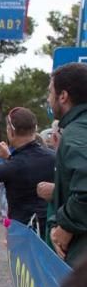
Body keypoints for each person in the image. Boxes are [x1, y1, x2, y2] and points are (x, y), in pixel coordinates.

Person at [0, 107, 55, 239]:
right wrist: (9, 157)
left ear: (11, 131)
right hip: (50, 231)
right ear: (35, 129)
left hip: (23, 232)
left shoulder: (13, 166)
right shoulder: (54, 157)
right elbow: (28, 166)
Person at [47, 62, 87, 265]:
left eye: (50, 92)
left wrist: (66, 226)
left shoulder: (76, 134)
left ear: (63, 96)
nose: (48, 99)